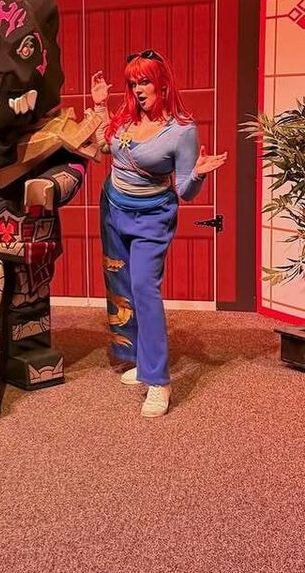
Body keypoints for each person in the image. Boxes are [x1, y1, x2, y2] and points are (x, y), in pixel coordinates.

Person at [91, 49, 227, 418]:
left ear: (163, 83)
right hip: (113, 208)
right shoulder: (125, 118)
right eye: (132, 83)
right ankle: (139, 359)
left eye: (144, 81)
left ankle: (158, 380)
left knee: (144, 288)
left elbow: (184, 190)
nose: (138, 89)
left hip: (151, 217)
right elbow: (104, 145)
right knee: (120, 282)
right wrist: (101, 106)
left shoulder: (182, 130)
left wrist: (197, 173)